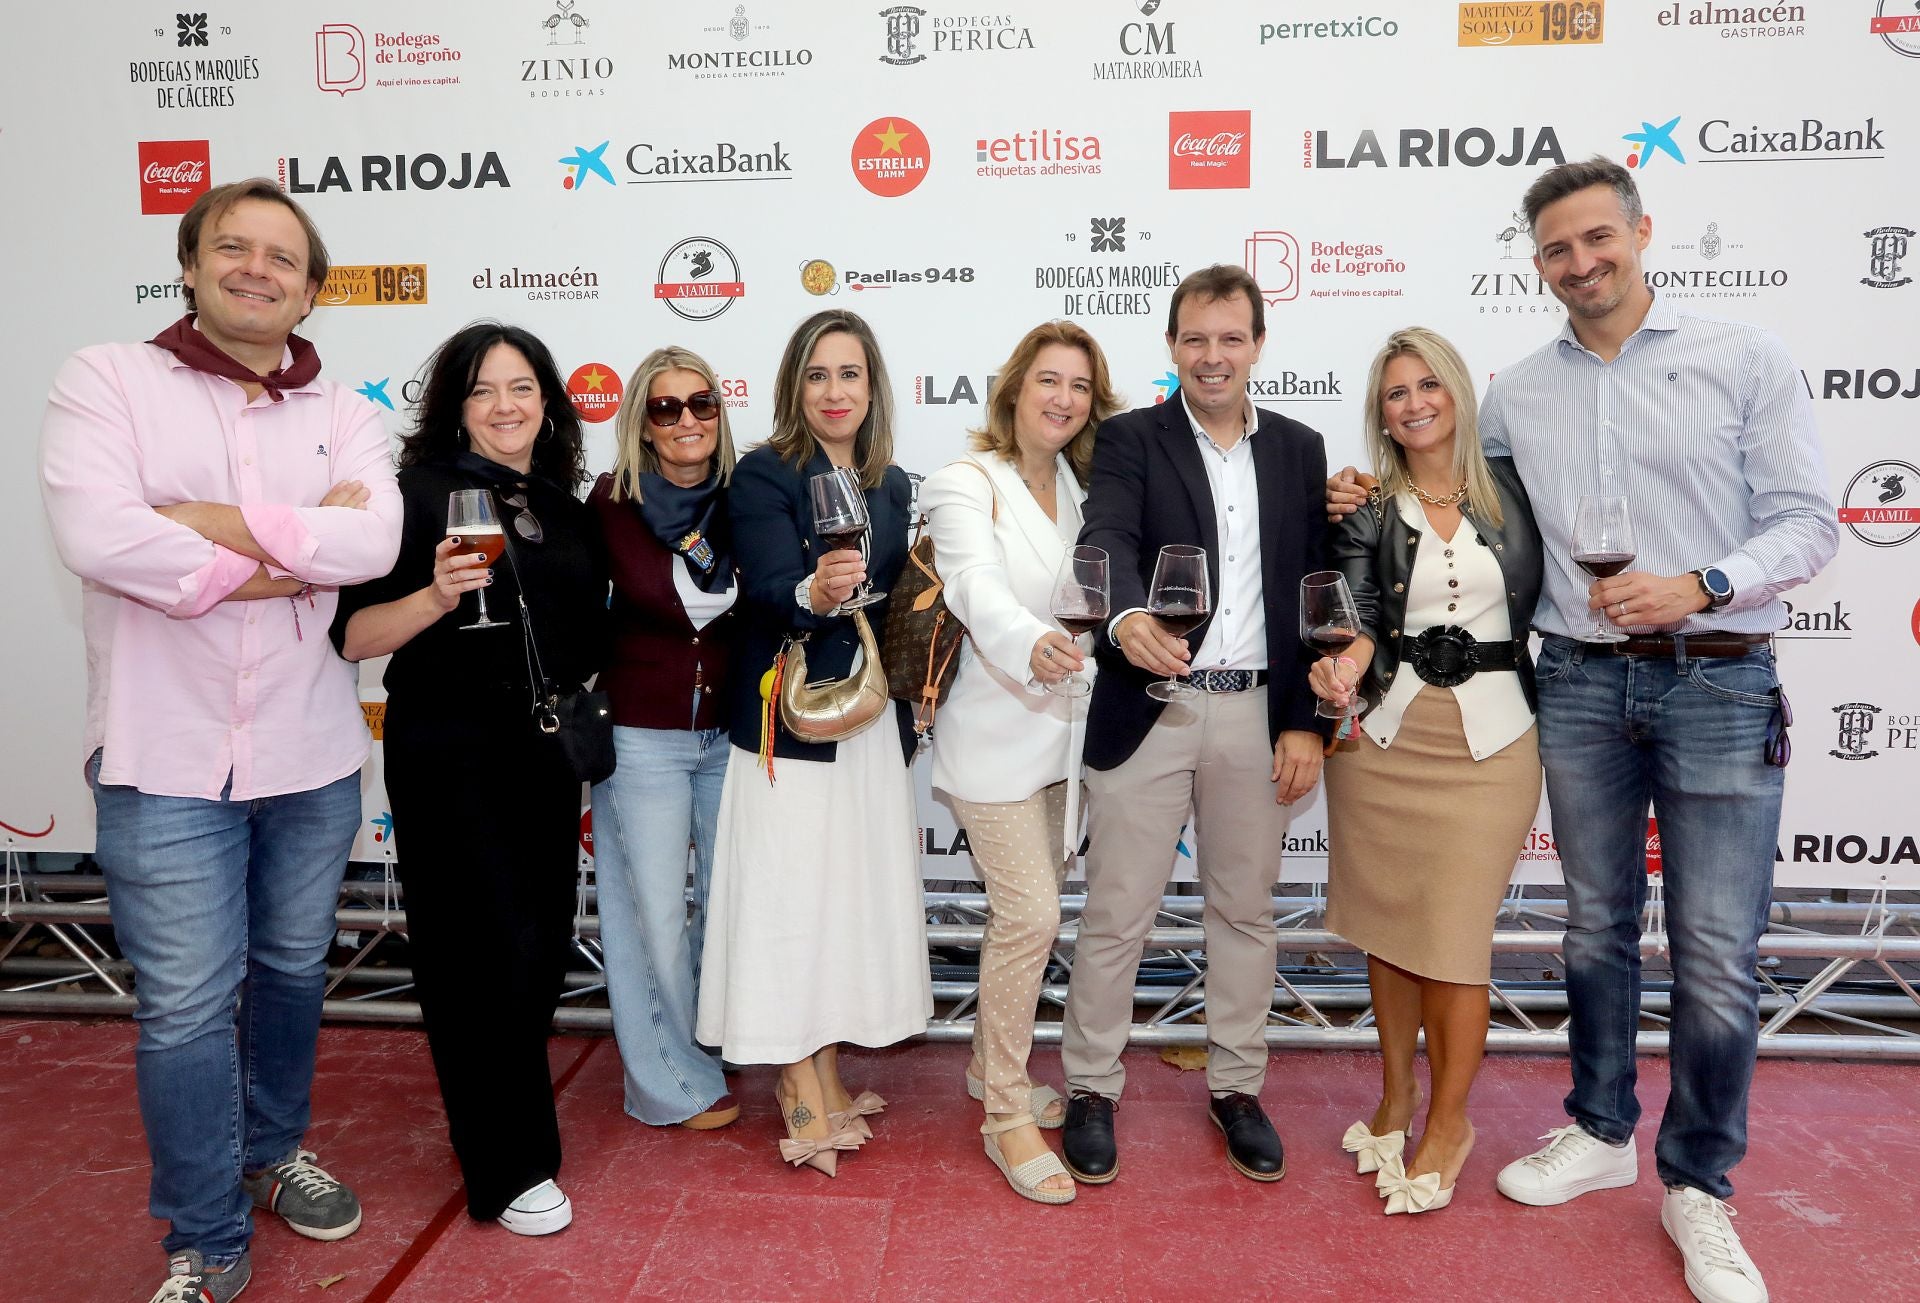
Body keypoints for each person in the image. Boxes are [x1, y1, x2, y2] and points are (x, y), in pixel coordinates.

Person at [1333, 157, 1835, 1303]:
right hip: (1577, 687)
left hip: (1719, 677)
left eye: (1599, 239)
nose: (1582, 262)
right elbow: (1450, 507)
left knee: (1714, 956)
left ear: (1643, 232)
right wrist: (1356, 498)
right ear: (1540, 262)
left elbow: (1809, 523)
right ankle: (1600, 1126)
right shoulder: (1515, 394)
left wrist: (1704, 581)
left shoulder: (1743, 359)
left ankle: (1700, 1184)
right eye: (1558, 248)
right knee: (1596, 932)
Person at [38, 178, 401, 1303]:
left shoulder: (347, 412)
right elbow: (100, 535)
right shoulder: (107, 379)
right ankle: (203, 1235)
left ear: (310, 288)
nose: (257, 269)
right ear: (189, 265)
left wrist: (195, 526)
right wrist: (289, 559)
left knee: (293, 973)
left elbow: (374, 538)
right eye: (232, 248)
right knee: (189, 1005)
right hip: (164, 757)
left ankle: (270, 1149)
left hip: (309, 753)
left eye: (282, 256)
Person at [332, 322, 606, 1236]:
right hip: (450, 754)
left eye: (522, 387)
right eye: (483, 390)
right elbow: (351, 637)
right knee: (472, 955)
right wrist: (439, 596)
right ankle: (504, 1166)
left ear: (547, 402)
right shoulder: (412, 496)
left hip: (542, 756)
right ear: (454, 404)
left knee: (533, 950)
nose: (505, 407)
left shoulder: (558, 504)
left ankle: (513, 1130)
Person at [1060, 264, 1331, 1188]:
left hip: (1260, 711)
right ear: (1171, 346)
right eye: (1194, 339)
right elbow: (1105, 537)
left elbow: (1312, 592)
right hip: (1151, 704)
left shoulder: (1300, 448)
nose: (1212, 357)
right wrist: (1126, 615)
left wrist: (1307, 722)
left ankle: (1237, 1087)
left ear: (1258, 344)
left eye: (1230, 338)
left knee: (1245, 912)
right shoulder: (1132, 437)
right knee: (1116, 911)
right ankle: (1091, 1088)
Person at [1307, 327, 1543, 1216]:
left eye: (1426, 385)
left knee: (1452, 937)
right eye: (1394, 393)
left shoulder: (1517, 490)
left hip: (1493, 741)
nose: (1413, 404)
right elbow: (1360, 605)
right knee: (1392, 923)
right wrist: (1344, 658)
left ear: (1456, 392)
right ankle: (1397, 1097)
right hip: (1386, 738)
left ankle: (1450, 1122)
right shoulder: (1366, 507)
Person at [695, 309, 931, 1177]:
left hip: (868, 726)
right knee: (787, 905)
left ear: (873, 388)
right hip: (785, 728)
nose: (836, 391)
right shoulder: (764, 473)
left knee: (840, 904)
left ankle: (827, 1065)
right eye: (819, 374)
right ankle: (796, 1083)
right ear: (797, 385)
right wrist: (819, 593)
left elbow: (906, 596)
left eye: (851, 374)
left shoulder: (894, 482)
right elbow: (763, 592)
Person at [922, 320, 1122, 1204]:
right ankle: (1006, 1109)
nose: (1063, 398)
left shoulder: (1088, 489)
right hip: (993, 736)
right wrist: (1031, 640)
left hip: (1065, 744)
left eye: (1080, 386)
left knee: (1032, 920)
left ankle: (983, 1066)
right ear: (1013, 390)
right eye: (1048, 380)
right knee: (1032, 918)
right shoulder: (966, 481)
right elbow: (972, 585)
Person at [587, 347, 741, 1132]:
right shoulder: (611, 501)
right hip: (642, 737)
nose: (687, 420)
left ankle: (710, 1047)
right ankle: (665, 1084)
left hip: (731, 738)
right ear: (641, 423)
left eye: (701, 403)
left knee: (727, 906)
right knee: (650, 916)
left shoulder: (746, 497)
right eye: (665, 406)